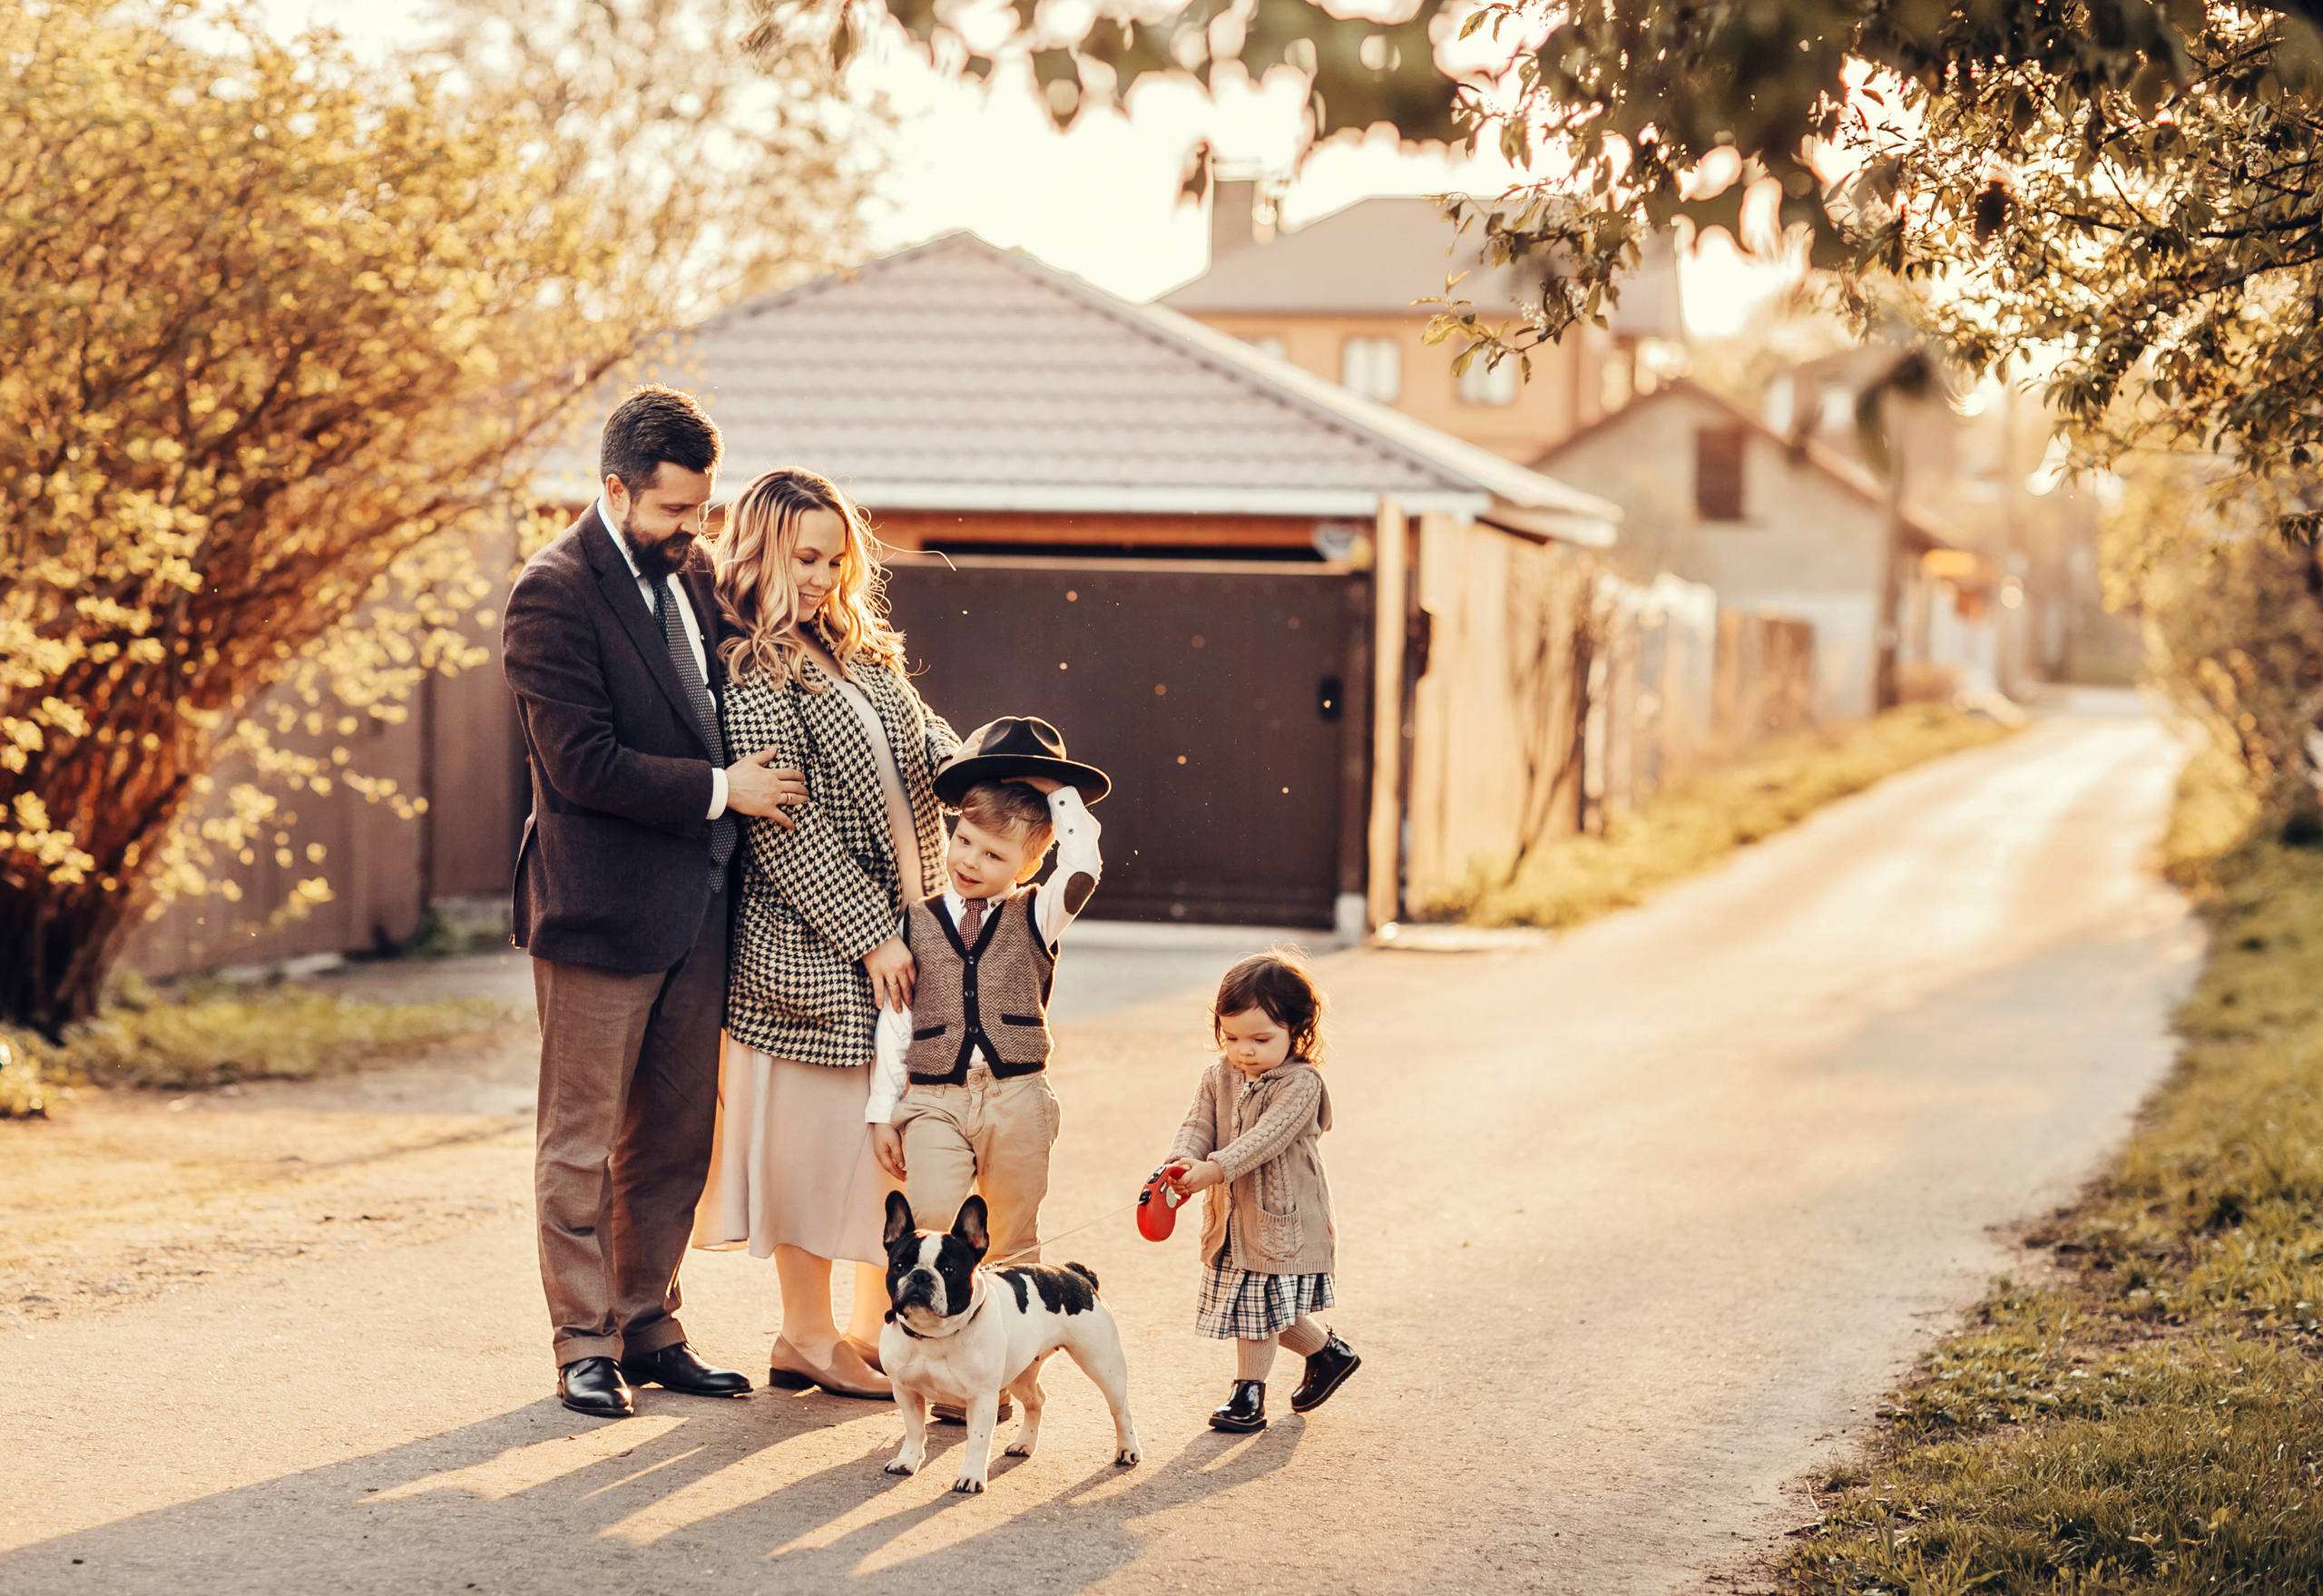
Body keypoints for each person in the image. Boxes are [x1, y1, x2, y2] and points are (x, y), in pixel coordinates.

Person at [502, 386, 807, 1420]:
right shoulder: (550, 592)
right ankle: (581, 1344)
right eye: (675, 511)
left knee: (675, 1136)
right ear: (614, 488)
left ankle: (649, 1325)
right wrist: (728, 791)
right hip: (597, 912)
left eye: (704, 509)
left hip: (703, 907)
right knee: (579, 1143)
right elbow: (581, 764)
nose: (695, 531)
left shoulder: (698, 570)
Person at [691, 465, 956, 1400]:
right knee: (813, 1150)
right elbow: (785, 831)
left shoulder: (858, 651)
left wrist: (996, 775)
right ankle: (803, 1334)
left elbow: (932, 746)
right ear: (759, 548)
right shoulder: (752, 668)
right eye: (804, 557)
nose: (820, 576)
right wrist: (870, 936)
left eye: (834, 560)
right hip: (810, 956)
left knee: (880, 1153)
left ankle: (864, 1327)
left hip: (907, 932)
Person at [866, 720, 1109, 1415]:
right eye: (963, 840)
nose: (969, 859)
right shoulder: (912, 922)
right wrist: (883, 1108)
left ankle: (1001, 1374)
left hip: (1017, 1096)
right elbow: (896, 1018)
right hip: (934, 1096)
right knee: (940, 1220)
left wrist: (1057, 789)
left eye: (993, 852)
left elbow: (1084, 864)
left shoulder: (1038, 914)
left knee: (1012, 1235)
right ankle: (939, 1367)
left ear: (1026, 866)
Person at [1161, 950, 1362, 1434]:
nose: (1243, 1050)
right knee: (1255, 1304)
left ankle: (1247, 1394)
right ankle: (1329, 1354)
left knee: (1257, 1305)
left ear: (1298, 1031)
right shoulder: (1218, 1076)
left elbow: (1263, 1140)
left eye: (1260, 1038)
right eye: (1231, 1037)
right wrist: (1181, 1161)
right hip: (1232, 1215)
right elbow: (1198, 1125)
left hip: (1278, 1216)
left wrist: (1214, 1169)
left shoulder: (1301, 1083)